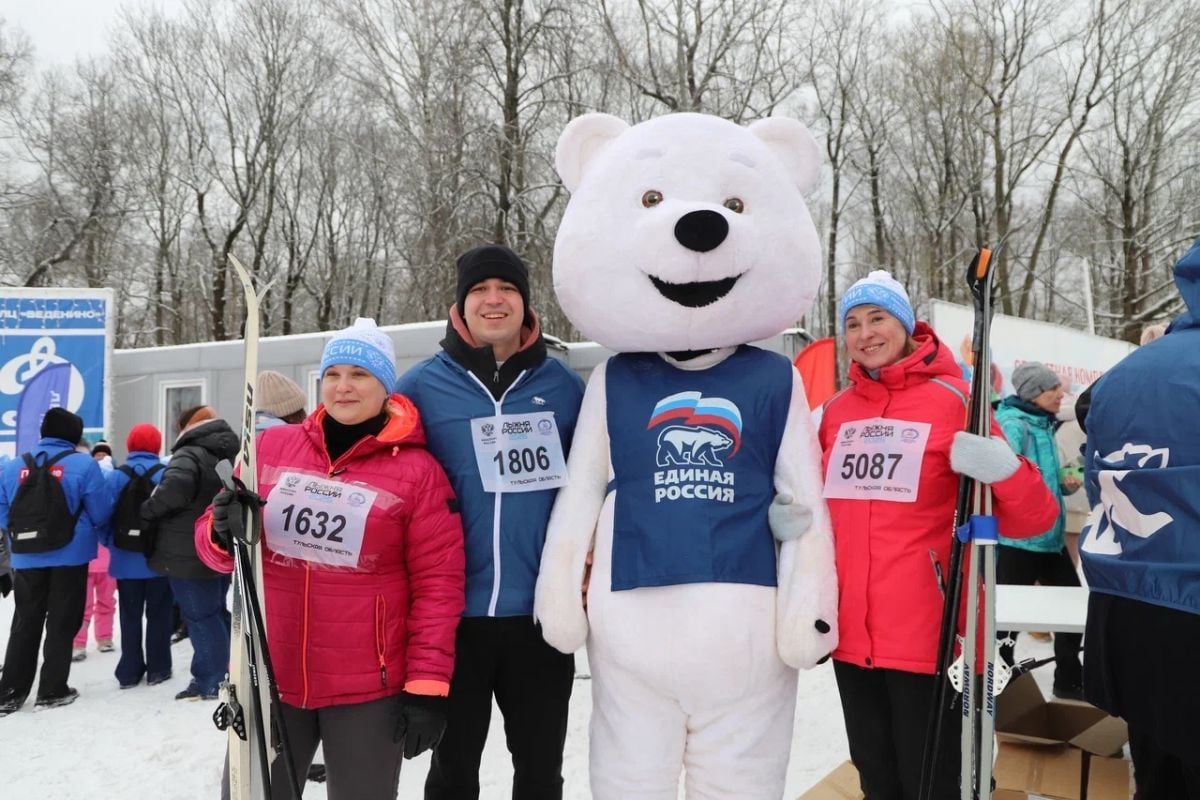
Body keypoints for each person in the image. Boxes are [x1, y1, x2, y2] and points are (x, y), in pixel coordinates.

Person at [197, 317, 466, 800]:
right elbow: (214, 550)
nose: (344, 387)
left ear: (385, 384)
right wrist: (222, 529)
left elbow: (438, 587)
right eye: (333, 374)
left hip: (367, 686)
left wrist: (428, 686)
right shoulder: (270, 448)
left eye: (359, 375)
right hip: (271, 672)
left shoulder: (417, 471)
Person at [817, 271, 1059, 799]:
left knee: (937, 780)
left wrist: (1005, 470)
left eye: (877, 318)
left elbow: (1035, 519)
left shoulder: (956, 401)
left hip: (933, 631)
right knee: (877, 777)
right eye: (853, 323)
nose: (865, 333)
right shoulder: (837, 412)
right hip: (852, 639)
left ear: (906, 324)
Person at [396, 244, 584, 800]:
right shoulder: (420, 388)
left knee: (540, 771)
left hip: (539, 619)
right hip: (453, 621)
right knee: (453, 774)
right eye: (479, 290)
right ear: (459, 305)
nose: (493, 300)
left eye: (507, 289)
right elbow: (365, 464)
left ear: (526, 305)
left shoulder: (564, 388)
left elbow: (602, 481)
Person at [1079, 240, 1200, 797]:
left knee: (1156, 778)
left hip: (1124, 611)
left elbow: (1092, 472)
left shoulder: (1129, 371)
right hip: (1189, 601)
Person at [0, 408, 114, 714]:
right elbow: (102, 511)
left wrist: (19, 533)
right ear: (73, 434)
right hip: (70, 554)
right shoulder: (83, 465)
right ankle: (52, 689)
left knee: (25, 622)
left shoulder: (13, 466)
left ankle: (9, 693)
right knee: (63, 621)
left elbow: (2, 510)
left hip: (25, 557)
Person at [993, 361, 1085, 698]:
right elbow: (1004, 481)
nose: (1061, 393)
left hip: (1049, 539)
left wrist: (1067, 480)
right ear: (1033, 394)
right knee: (1007, 620)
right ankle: (1000, 687)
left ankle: (1068, 678)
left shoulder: (1043, 425)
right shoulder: (1013, 425)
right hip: (1017, 540)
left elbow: (1044, 482)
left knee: (1072, 606)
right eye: (1052, 389)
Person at [140, 404, 238, 700]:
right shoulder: (229, 453)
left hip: (188, 550)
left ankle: (211, 680)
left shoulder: (188, 453)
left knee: (199, 616)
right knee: (216, 612)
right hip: (218, 544)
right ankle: (227, 672)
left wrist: (147, 510)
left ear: (186, 427)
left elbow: (174, 490)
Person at [105, 423, 173, 689]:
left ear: (129, 444)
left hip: (124, 557)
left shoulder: (115, 476)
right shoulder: (166, 475)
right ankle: (159, 668)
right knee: (159, 614)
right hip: (158, 558)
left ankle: (129, 671)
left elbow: (102, 515)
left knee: (129, 615)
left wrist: (111, 543)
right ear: (157, 445)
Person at [72, 542, 116, 660]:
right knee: (83, 606)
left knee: (107, 603)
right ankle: (78, 642)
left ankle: (105, 637)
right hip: (83, 563)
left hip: (109, 564)